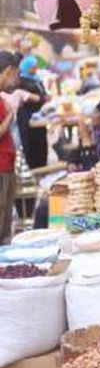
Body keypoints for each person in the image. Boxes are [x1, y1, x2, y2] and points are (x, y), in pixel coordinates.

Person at [0, 52, 21, 244]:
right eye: (16, 74)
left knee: (5, 224)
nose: (16, 80)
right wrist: (10, 115)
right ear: (8, 71)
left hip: (6, 167)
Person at [16, 55, 49, 169]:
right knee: (30, 145)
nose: (35, 68)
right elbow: (26, 98)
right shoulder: (20, 81)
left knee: (42, 144)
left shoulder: (37, 78)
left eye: (36, 66)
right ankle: (34, 170)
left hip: (40, 116)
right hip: (27, 116)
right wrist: (41, 98)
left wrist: (44, 97)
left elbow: (42, 94)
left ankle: (42, 168)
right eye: (33, 67)